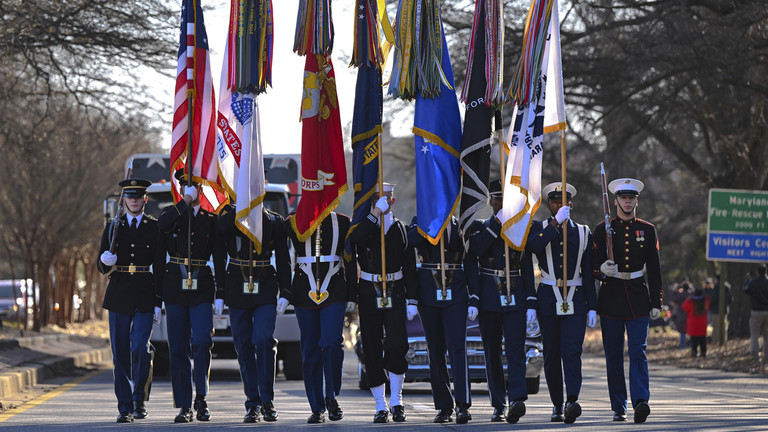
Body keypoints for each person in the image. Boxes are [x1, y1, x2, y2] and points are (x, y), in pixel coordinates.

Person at [592, 178, 663, 424]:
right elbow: (590, 266)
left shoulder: (647, 229)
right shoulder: (603, 229)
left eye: (631, 198)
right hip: (611, 297)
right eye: (623, 198)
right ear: (615, 201)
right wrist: (601, 270)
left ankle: (641, 401)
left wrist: (656, 302)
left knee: (638, 353)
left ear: (636, 201)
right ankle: (619, 406)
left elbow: (654, 270)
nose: (627, 201)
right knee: (613, 356)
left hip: (638, 297)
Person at [465, 179, 536, 424]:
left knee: (516, 349)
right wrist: (497, 223)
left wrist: (531, 300)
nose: (500, 203)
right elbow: (477, 250)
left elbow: (526, 265)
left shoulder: (519, 227)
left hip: (515, 292)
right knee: (492, 351)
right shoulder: (479, 226)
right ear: (490, 201)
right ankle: (498, 403)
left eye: (504, 199)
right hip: (488, 295)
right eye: (497, 199)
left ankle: (517, 399)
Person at [213, 201, 290, 423]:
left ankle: (267, 401)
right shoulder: (228, 216)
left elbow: (283, 258)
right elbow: (220, 245)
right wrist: (220, 292)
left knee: (264, 340)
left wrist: (286, 291)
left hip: (265, 284)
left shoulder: (273, 219)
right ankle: (252, 402)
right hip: (236, 286)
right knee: (243, 345)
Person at [526, 182, 596, 424]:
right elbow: (534, 247)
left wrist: (593, 305)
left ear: (570, 205)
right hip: (547, 296)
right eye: (555, 202)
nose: (559, 205)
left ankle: (572, 400)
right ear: (549, 205)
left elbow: (587, 272)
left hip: (575, 298)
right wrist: (555, 224)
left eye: (563, 202)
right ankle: (557, 403)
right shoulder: (539, 228)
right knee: (552, 354)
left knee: (572, 351)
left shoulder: (584, 232)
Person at [348, 182, 418, 423]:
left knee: (398, 344)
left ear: (393, 201)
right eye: (377, 198)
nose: (383, 201)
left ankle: (397, 400)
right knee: (371, 346)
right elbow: (356, 238)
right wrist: (374, 214)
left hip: (395, 290)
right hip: (369, 290)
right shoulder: (365, 225)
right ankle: (380, 404)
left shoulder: (401, 229)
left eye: (386, 198)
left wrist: (412, 299)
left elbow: (409, 266)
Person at [157, 170, 222, 423]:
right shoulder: (171, 214)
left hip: (202, 286)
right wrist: (184, 203)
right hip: (174, 286)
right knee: (178, 348)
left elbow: (217, 256)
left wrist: (221, 294)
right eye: (187, 187)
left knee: (203, 341)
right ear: (182, 188)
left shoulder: (210, 219)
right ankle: (184, 404)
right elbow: (162, 227)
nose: (191, 191)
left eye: (195, 187)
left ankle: (201, 398)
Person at [280, 211, 357, 424]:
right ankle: (316, 406)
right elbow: (281, 243)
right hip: (304, 290)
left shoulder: (342, 221)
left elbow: (350, 259)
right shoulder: (294, 220)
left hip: (335, 289)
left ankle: (331, 396)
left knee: (332, 343)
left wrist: (352, 294)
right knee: (310, 350)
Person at [98, 178, 162, 423]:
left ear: (145, 199)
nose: (134, 201)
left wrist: (158, 300)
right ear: (124, 200)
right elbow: (101, 267)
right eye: (130, 197)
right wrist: (105, 261)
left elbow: (159, 265)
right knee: (120, 352)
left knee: (140, 347)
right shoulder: (114, 226)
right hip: (119, 294)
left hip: (145, 293)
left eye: (138, 197)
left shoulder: (154, 227)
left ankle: (139, 399)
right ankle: (124, 407)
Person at [408, 215, 478, 424]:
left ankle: (463, 405)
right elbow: (411, 241)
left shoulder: (462, 223)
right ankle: (444, 405)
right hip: (428, 292)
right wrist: (429, 222)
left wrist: (474, 296)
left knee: (458, 347)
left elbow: (470, 260)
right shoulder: (420, 220)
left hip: (455, 291)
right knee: (435, 350)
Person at [743, 265, 768, 364]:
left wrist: (748, 280)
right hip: (767, 311)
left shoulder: (753, 282)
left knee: (755, 334)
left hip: (756, 311)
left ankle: (755, 355)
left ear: (757, 272)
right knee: (767, 335)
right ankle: (766, 355)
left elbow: (745, 289)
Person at [682, 289, 709, 358]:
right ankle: (703, 352)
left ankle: (694, 352)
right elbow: (708, 306)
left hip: (693, 323)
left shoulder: (691, 301)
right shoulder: (705, 300)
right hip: (702, 322)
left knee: (694, 339)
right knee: (703, 338)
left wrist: (688, 298)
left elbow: (684, 307)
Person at [705, 276, 731, 342]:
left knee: (716, 326)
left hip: (716, 310)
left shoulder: (717, 287)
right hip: (725, 310)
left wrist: (711, 304)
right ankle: (724, 340)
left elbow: (713, 298)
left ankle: (715, 340)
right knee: (724, 326)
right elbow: (730, 298)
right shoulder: (727, 287)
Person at [670, 282, 692, 349]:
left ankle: (682, 346)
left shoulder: (680, 295)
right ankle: (691, 346)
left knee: (682, 332)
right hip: (690, 315)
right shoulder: (691, 295)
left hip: (681, 315)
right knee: (691, 331)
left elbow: (672, 303)